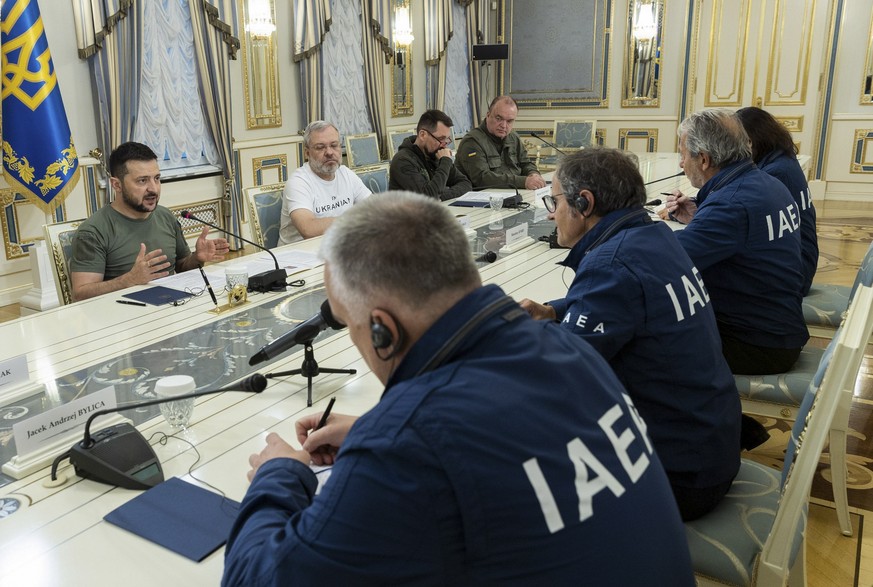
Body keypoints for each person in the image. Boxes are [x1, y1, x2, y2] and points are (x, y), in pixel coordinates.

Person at [223, 192, 694, 586]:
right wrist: (374, 431)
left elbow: (258, 578)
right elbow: (500, 438)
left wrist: (281, 473)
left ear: (383, 329)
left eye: (350, 324)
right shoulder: (564, 346)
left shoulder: (408, 444)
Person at [519, 148, 741, 521]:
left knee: (510, 479)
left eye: (554, 201)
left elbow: (560, 376)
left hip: (678, 475)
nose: (550, 213)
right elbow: (633, 298)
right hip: (709, 443)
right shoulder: (653, 234)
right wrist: (556, 310)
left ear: (584, 202)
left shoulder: (611, 264)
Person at [664, 108, 809, 375]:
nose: (681, 163)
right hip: (779, 327)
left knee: (641, 346)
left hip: (756, 346)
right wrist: (698, 218)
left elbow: (667, 261)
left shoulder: (731, 203)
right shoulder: (767, 183)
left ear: (704, 159)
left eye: (683, 154)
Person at [69, 142, 229, 302]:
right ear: (117, 185)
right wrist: (129, 280)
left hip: (171, 308)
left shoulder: (165, 216)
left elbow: (182, 267)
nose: (154, 189)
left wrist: (197, 258)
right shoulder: (93, 231)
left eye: (157, 179)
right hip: (122, 319)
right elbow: (81, 294)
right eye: (142, 181)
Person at [737, 106, 819, 295]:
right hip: (799, 263)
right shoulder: (782, 160)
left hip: (795, 274)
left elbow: (742, 213)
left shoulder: (776, 173)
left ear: (751, 140)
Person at [276, 121, 371, 246]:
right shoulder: (298, 182)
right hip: (300, 257)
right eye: (320, 147)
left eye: (334, 145)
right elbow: (308, 229)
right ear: (307, 153)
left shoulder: (345, 173)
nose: (329, 152)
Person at [455, 95, 547, 190]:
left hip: (513, 194)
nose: (503, 125)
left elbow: (526, 164)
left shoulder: (513, 137)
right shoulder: (472, 141)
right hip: (482, 199)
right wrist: (523, 182)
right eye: (498, 118)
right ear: (488, 115)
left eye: (509, 121)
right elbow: (482, 178)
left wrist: (534, 175)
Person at [388, 109, 472, 200]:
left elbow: (465, 184)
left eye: (447, 139)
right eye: (441, 139)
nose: (444, 144)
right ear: (422, 135)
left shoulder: (436, 153)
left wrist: (441, 196)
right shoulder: (402, 161)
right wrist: (445, 162)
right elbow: (428, 197)